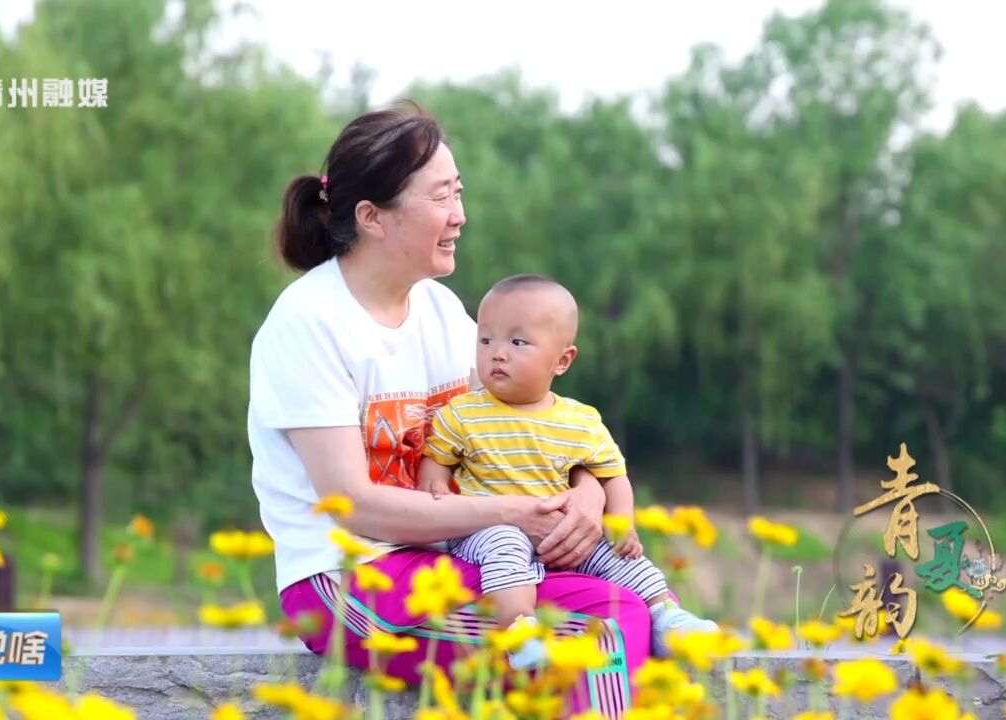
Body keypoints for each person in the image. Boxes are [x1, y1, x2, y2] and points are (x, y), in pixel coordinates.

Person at [246, 102, 659, 715]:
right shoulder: (309, 324)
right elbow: (352, 504)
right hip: (347, 581)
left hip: (453, 560)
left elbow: (522, 419)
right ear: (373, 217)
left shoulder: (441, 312)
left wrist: (587, 491)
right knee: (587, 639)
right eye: (442, 197)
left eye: (458, 193)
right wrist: (518, 512)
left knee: (623, 603)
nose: (460, 215)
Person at [416, 274, 717, 670]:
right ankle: (520, 631)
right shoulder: (464, 412)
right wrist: (434, 484)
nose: (497, 354)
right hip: (485, 529)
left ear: (562, 359)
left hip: (563, 533)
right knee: (504, 548)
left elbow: (613, 476)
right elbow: (436, 458)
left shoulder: (580, 420)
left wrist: (621, 523)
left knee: (619, 558)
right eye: (486, 340)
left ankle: (665, 616)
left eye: (517, 342)